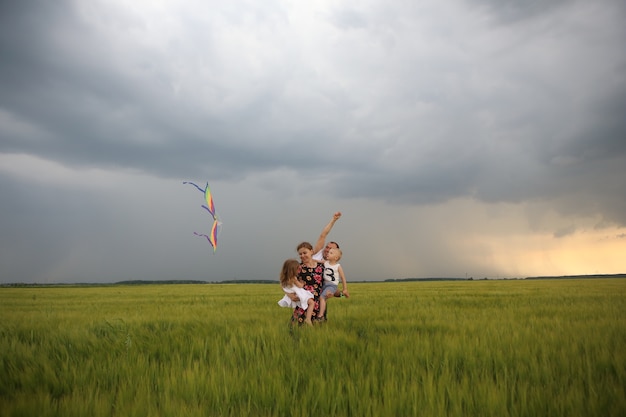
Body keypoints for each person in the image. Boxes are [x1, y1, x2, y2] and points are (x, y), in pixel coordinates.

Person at [289, 241, 325, 325]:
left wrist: (342, 295)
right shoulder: (298, 268)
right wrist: (290, 295)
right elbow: (285, 282)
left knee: (317, 329)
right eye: (300, 254)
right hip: (304, 302)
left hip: (318, 303)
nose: (302, 256)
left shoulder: (321, 267)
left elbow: (332, 288)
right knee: (298, 328)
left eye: (305, 253)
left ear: (312, 251)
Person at [277, 259, 315, 326]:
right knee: (312, 302)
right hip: (298, 294)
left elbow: (282, 287)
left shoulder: (283, 279)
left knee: (295, 309)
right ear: (293, 270)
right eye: (297, 269)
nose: (298, 271)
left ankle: (295, 322)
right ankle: (308, 319)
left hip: (292, 295)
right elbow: (300, 286)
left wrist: (288, 293)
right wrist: (302, 283)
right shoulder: (293, 278)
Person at [318, 247, 349, 320]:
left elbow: (343, 278)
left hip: (332, 285)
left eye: (331, 253)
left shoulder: (338, 266)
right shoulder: (325, 262)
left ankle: (320, 315)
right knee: (332, 295)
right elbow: (316, 261)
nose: (328, 253)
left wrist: (345, 289)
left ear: (336, 257)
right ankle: (343, 295)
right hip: (325, 285)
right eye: (328, 252)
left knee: (322, 297)